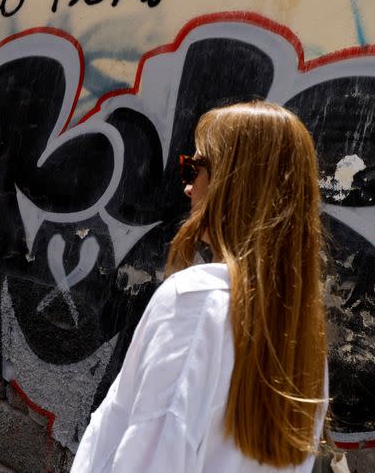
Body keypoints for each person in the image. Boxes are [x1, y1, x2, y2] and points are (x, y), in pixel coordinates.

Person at [71, 100, 328, 472]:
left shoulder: (197, 303)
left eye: (194, 169)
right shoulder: (303, 333)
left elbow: (152, 456)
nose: (188, 188)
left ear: (235, 184)